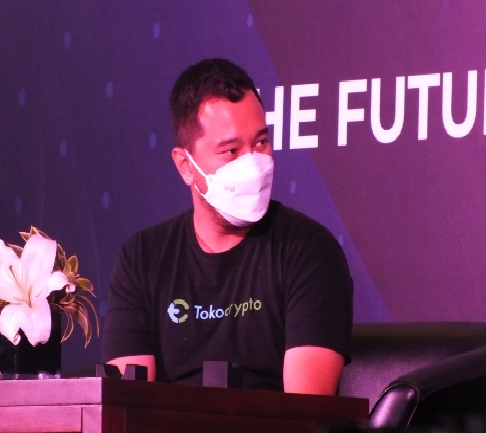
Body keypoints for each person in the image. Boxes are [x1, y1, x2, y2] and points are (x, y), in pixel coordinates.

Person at [102, 58, 353, 395]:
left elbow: (306, 410)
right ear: (185, 165)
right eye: (231, 151)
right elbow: (124, 405)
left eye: (260, 143)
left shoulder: (309, 250)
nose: (253, 164)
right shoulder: (142, 258)